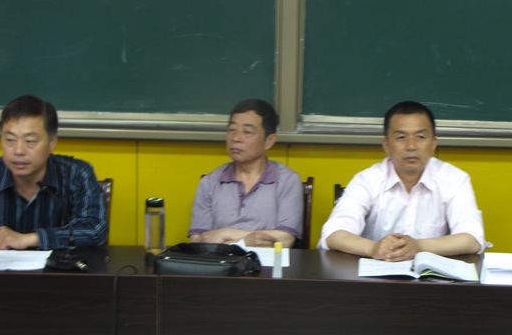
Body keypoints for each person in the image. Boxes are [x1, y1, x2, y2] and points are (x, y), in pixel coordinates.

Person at [319, 100, 485, 261]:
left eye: (420, 137)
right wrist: (373, 248)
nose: (411, 146)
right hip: (377, 273)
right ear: (386, 145)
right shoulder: (367, 180)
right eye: (401, 137)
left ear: (434, 143)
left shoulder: (454, 179)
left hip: (432, 276)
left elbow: (472, 238)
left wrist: (418, 246)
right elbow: (333, 233)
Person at [0, 94, 108, 250]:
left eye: (30, 141)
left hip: (57, 266)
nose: (18, 151)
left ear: (52, 143)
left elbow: (95, 229)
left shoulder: (76, 174)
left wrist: (32, 238)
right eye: (10, 140)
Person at [189, 98, 303, 248]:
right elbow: (197, 240)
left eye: (247, 132)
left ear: (269, 141)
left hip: (266, 262)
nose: (236, 138)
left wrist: (226, 234)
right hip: (221, 261)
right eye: (232, 130)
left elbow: (286, 239)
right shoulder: (210, 182)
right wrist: (247, 240)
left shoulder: (287, 181)